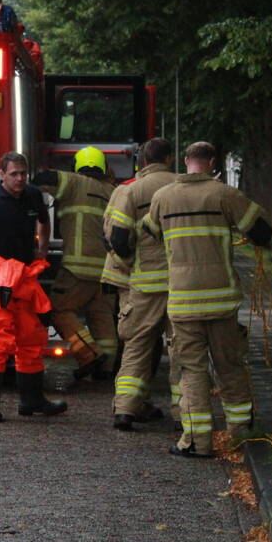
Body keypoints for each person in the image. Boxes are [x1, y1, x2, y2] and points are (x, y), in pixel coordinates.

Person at [146, 141, 272, 458]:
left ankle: (197, 442)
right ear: (212, 162)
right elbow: (262, 232)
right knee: (230, 366)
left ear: (186, 161)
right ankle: (241, 435)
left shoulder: (162, 197)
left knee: (191, 371)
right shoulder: (225, 195)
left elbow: (150, 232)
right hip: (221, 301)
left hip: (183, 301)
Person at [0, 151, 67, 422]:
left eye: (23, 173)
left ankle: (31, 401)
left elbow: (44, 223)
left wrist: (42, 251)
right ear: (2, 175)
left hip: (24, 276)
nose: (20, 178)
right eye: (14, 174)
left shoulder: (33, 195)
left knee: (31, 338)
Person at [107, 138, 177, 430]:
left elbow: (119, 240)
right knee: (182, 350)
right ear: (170, 159)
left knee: (136, 347)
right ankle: (187, 415)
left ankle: (125, 410)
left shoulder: (129, 190)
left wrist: (131, 264)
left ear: (143, 162)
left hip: (143, 283)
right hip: (180, 283)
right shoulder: (181, 187)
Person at [33, 147, 117, 380]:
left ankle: (89, 353)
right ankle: (107, 368)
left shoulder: (74, 181)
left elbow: (43, 179)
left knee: (57, 310)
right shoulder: (112, 191)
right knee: (101, 317)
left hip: (77, 267)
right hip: (106, 269)